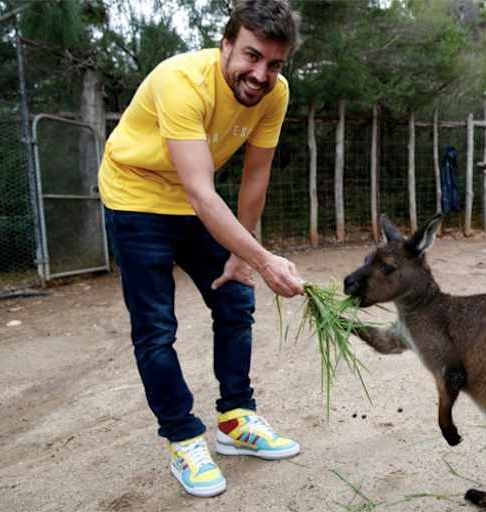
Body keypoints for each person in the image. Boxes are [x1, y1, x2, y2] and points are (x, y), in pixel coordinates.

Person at [98, 0, 304, 498]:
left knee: (235, 299)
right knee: (155, 327)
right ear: (226, 44)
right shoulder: (182, 81)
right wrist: (263, 257)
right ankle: (183, 438)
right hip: (137, 196)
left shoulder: (274, 94)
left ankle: (236, 420)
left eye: (274, 64)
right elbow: (199, 190)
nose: (260, 75)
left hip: (195, 200)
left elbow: (256, 174)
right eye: (251, 57)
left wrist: (242, 252)